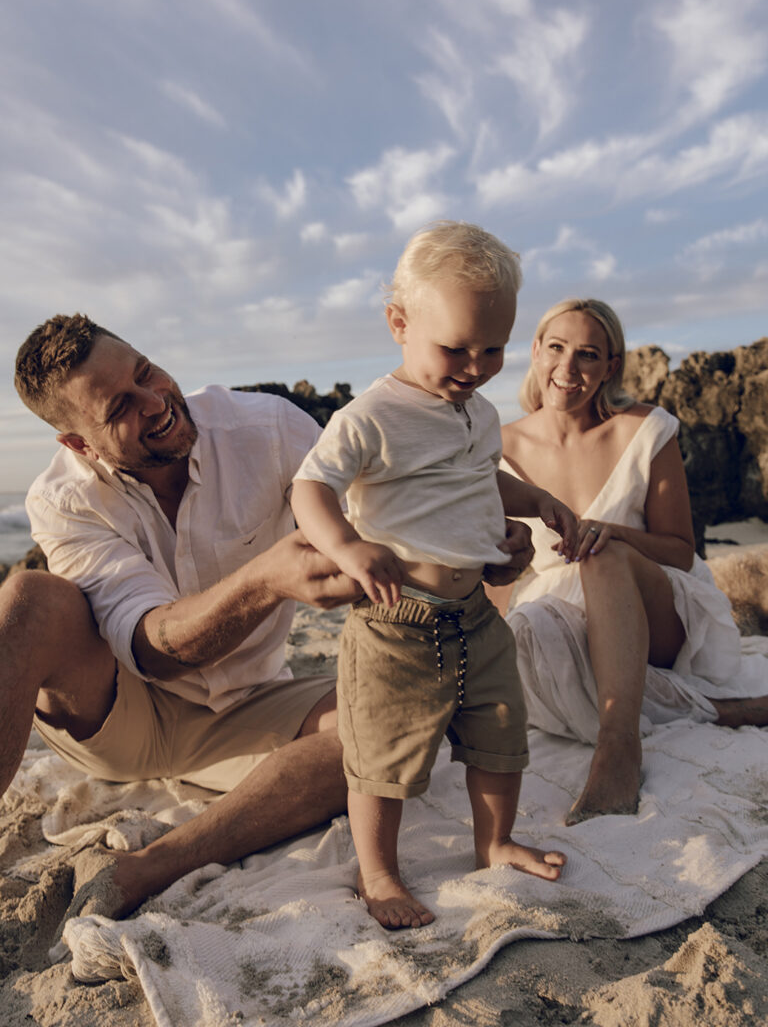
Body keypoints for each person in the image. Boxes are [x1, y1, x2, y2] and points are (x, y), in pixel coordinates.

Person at [3, 312, 365, 928]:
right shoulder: (62, 498)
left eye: (146, 372)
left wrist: (487, 535)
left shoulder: (270, 428)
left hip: (251, 704)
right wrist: (264, 580)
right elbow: (153, 647)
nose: (154, 401)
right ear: (78, 444)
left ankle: (155, 866)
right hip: (119, 713)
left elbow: (378, 514)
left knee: (382, 724)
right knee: (28, 599)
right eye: (120, 404)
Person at [292, 222, 573, 931]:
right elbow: (310, 488)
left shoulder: (478, 413)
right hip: (396, 624)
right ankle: (380, 870)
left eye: (493, 350)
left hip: (477, 615)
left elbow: (481, 482)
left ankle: (496, 841)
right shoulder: (371, 416)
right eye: (455, 347)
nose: (474, 366)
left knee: (500, 732)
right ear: (399, 323)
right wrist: (348, 548)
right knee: (381, 756)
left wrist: (534, 499)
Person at [489, 298, 768, 827]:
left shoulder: (645, 429)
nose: (568, 369)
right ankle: (721, 712)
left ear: (610, 367)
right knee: (527, 629)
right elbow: (498, 571)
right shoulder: (498, 448)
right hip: (563, 610)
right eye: (556, 348)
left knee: (602, 554)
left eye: (588, 355)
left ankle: (618, 749)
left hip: (653, 606)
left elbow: (681, 550)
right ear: (535, 350)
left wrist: (610, 532)